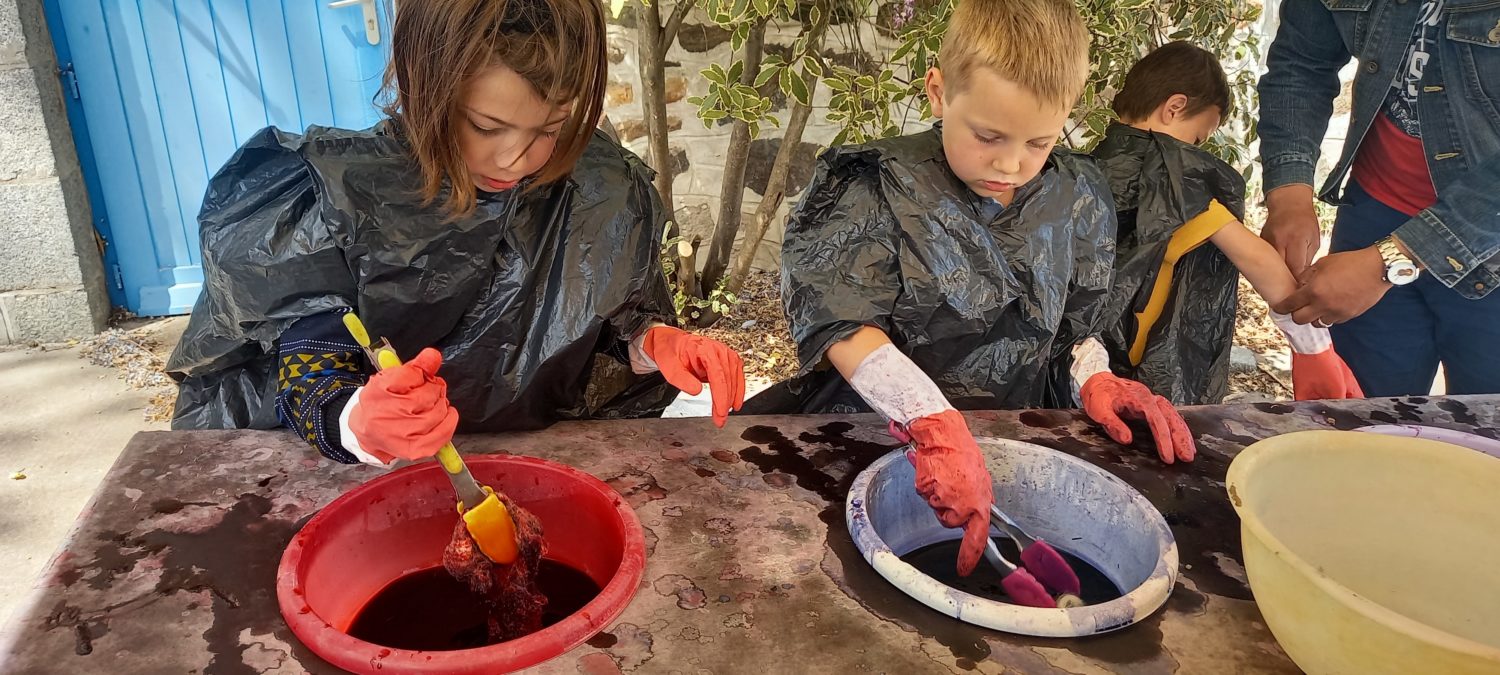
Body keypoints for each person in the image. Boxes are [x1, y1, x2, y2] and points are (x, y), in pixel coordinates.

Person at [166, 0, 746, 465]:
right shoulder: (335, 199)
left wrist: (656, 344)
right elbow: (308, 360)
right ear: (424, 84)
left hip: (543, 460)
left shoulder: (600, 186)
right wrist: (356, 420)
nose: (519, 158)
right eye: (487, 125)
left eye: (551, 127)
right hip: (376, 482)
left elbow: (607, 327)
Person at [750, 0, 1196, 577]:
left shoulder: (1078, 194)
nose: (1011, 163)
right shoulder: (874, 184)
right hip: (865, 435)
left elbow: (1071, 330)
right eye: (987, 135)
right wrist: (931, 422)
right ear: (938, 93)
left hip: (1012, 435)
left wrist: (1097, 377)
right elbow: (841, 323)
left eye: (1038, 143)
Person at [1094, 41, 1362, 404]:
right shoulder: (1174, 179)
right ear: (1174, 108)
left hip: (1080, 366)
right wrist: (1313, 347)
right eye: (1197, 139)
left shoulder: (1085, 169)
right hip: (1137, 367)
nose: (1193, 153)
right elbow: (1255, 258)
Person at [1258, 0, 1500, 396]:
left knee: (1485, 435)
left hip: (1489, 242)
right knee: (1365, 423)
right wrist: (1289, 191)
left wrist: (1392, 261)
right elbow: (1300, 64)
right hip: (1372, 215)